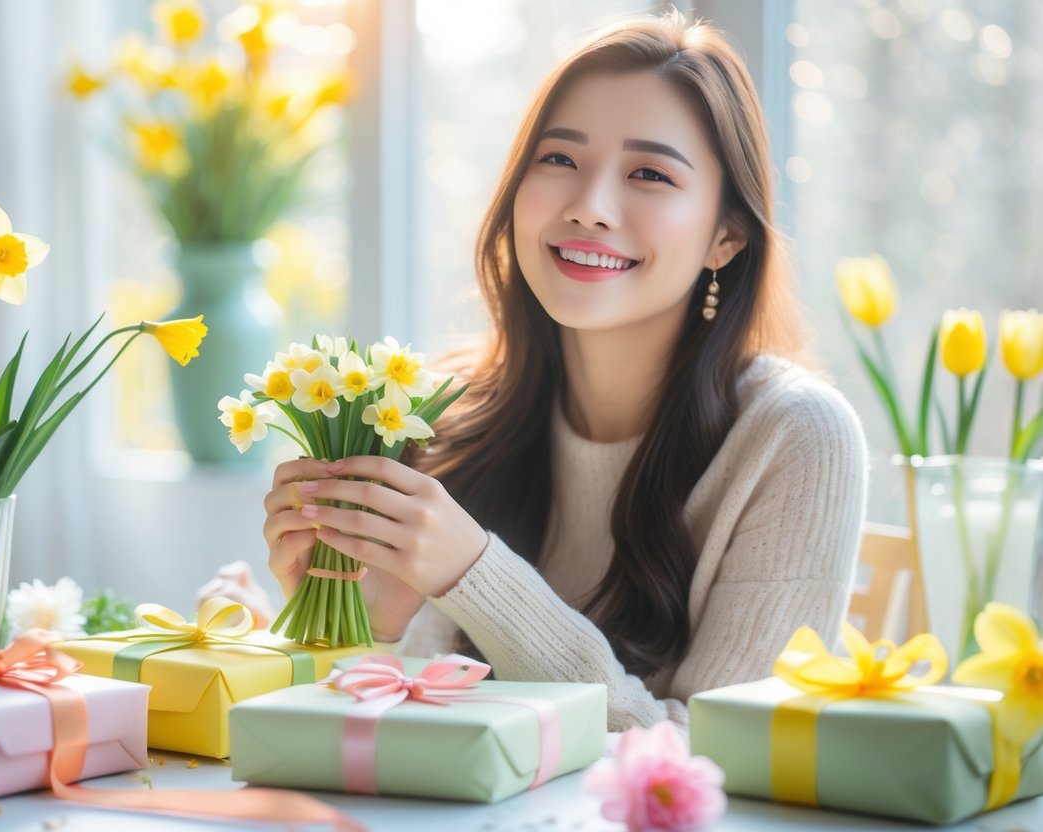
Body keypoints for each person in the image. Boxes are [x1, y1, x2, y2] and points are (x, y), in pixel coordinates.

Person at [260, 11, 867, 732]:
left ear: (725, 236)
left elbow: (721, 759)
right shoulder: (434, 414)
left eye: (648, 173)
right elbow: (365, 741)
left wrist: (474, 576)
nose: (589, 207)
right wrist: (364, 626)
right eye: (559, 160)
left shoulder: (794, 436)